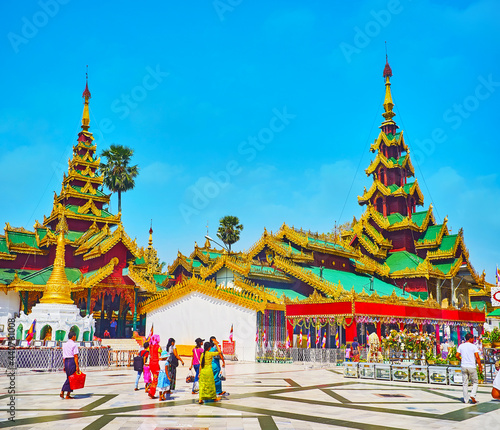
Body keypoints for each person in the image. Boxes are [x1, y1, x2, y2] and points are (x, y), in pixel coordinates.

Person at [456, 332, 482, 404]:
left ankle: (466, 400)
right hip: (472, 366)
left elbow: (457, 355)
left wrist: (461, 359)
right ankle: (473, 394)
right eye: (473, 338)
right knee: (475, 382)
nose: (473, 340)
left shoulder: (461, 346)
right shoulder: (473, 346)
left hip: (464, 366)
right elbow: (477, 357)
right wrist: (480, 366)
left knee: (465, 383)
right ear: (470, 339)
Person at [60, 330, 80, 399]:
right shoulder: (74, 344)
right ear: (73, 337)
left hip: (66, 361)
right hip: (72, 361)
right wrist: (77, 366)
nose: (75, 338)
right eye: (75, 336)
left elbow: (63, 356)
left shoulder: (64, 344)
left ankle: (68, 395)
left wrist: (64, 365)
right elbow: (75, 356)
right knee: (71, 378)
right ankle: (62, 391)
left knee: (69, 377)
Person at [148, 334, 161, 399]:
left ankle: (150, 390)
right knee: (156, 379)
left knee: (154, 378)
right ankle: (151, 392)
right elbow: (159, 356)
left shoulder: (150, 346)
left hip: (151, 363)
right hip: (156, 364)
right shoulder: (158, 347)